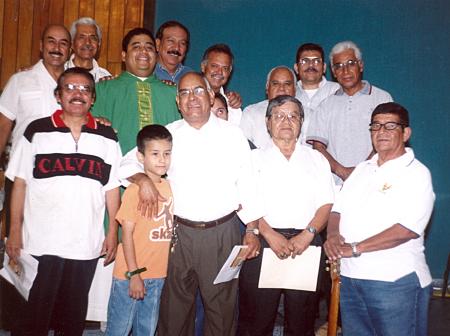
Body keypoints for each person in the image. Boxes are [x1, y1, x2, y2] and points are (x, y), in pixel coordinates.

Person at [119, 72, 263, 336]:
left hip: (223, 233)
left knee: (221, 312)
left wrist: (252, 231)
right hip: (178, 235)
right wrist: (143, 179)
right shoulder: (169, 134)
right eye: (184, 93)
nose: (192, 98)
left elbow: (249, 186)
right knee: (173, 312)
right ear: (177, 101)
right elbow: (127, 163)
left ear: (210, 96)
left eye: (198, 91)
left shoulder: (233, 136)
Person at [5, 67, 121, 336]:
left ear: (93, 98)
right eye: (70, 88)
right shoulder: (37, 131)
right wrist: (13, 231)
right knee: (34, 315)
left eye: (85, 89)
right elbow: (20, 182)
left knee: (72, 318)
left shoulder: (107, 137)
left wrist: (112, 231)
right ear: (58, 96)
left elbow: (112, 188)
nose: (78, 94)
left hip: (85, 243)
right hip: (41, 242)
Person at [323, 102, 435, 336]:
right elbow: (337, 210)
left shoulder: (416, 173)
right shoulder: (362, 169)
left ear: (406, 133)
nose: (381, 131)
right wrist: (333, 236)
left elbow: (407, 229)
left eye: (390, 126)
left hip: (395, 281)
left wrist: (355, 248)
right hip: (351, 280)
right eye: (375, 126)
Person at [238, 95, 334, 336]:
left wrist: (307, 235)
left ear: (301, 122)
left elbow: (326, 204)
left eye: (293, 116)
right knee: (256, 321)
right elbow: (246, 201)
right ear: (268, 122)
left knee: (302, 323)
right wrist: (270, 236)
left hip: (307, 242)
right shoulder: (253, 158)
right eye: (279, 116)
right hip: (263, 242)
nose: (286, 121)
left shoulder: (317, 159)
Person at [106, 124, 173, 336]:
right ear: (140, 157)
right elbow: (126, 234)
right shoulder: (135, 190)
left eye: (167, 153)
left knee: (147, 329)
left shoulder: (170, 187)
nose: (162, 160)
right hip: (130, 274)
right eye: (155, 154)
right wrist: (134, 274)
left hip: (158, 274)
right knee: (119, 329)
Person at [307, 41, 393, 185]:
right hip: (336, 186)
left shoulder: (382, 99)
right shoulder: (325, 106)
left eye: (350, 63)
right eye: (339, 66)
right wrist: (343, 172)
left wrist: (361, 172)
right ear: (334, 72)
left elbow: (388, 142)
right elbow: (318, 148)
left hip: (374, 183)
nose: (345, 71)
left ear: (360, 65)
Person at [92, 27, 180, 155]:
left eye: (149, 47)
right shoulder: (102, 89)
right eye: (136, 47)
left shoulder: (173, 93)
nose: (144, 51)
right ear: (123, 55)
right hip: (117, 170)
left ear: (156, 56)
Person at [0, 24, 71, 159]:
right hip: (22, 169)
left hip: (62, 172)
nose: (57, 48)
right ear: (41, 45)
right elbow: (2, 127)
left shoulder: (76, 86)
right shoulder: (20, 80)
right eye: (51, 41)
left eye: (63, 43)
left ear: (69, 50)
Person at [240, 66, 296, 149]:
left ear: (295, 89)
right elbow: (243, 148)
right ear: (267, 88)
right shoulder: (251, 113)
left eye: (287, 84)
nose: (281, 88)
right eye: (275, 84)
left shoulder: (308, 115)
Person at [294, 43, 339, 139]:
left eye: (316, 61)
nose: (311, 65)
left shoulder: (338, 92)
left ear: (324, 67)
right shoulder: (290, 94)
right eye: (305, 61)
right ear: (296, 68)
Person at [201, 43, 243, 125]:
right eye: (214, 66)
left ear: (230, 71)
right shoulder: (189, 98)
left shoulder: (232, 105)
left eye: (225, 68)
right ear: (203, 67)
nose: (219, 72)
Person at [66, 17, 111, 81]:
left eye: (93, 38)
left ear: (99, 44)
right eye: (81, 37)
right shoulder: (60, 72)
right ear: (72, 43)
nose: (87, 42)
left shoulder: (105, 77)